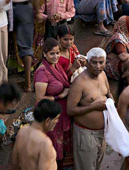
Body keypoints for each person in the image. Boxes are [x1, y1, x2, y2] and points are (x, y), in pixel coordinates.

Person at [66, 47, 119, 170]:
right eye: (94, 62)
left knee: (97, 165)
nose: (98, 66)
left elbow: (108, 92)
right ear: (88, 62)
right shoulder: (80, 83)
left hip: (102, 132)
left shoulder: (103, 75)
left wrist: (111, 101)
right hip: (86, 134)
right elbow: (70, 110)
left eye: (101, 63)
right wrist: (94, 107)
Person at [33, 39, 74, 168]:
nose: (55, 56)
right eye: (52, 54)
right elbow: (40, 99)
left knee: (61, 145)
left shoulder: (55, 65)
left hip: (60, 113)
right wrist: (59, 96)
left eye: (57, 53)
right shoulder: (42, 72)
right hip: (49, 115)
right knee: (52, 148)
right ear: (44, 54)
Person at [11, 99, 63, 170]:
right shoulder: (45, 143)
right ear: (48, 121)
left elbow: (14, 163)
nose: (57, 121)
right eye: (56, 119)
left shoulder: (22, 131)